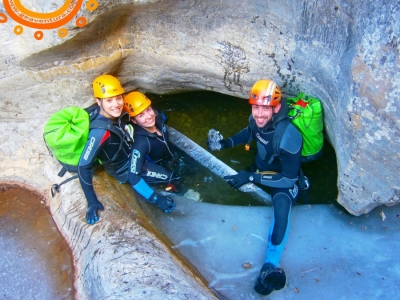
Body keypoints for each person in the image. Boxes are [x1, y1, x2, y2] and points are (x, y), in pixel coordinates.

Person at [209, 79, 302, 296]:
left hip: (283, 180)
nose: (259, 114)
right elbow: (250, 132)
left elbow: (288, 179)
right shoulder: (256, 118)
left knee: (281, 211)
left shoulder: (289, 136)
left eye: (265, 109)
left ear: (277, 108)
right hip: (259, 169)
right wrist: (226, 144)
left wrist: (251, 178)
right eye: (256, 107)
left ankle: (269, 267)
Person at [78, 75, 176, 225]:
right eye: (109, 100)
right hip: (125, 168)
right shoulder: (100, 133)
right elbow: (83, 165)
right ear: (98, 102)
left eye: (118, 98)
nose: (116, 104)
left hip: (132, 151)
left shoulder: (114, 114)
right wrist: (92, 202)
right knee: (169, 176)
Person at [123, 91, 184, 195]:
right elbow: (133, 176)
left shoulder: (158, 118)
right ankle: (179, 190)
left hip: (169, 157)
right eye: (141, 115)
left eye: (148, 109)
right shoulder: (141, 143)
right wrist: (154, 198)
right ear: (134, 121)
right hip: (156, 164)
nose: (149, 116)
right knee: (173, 176)